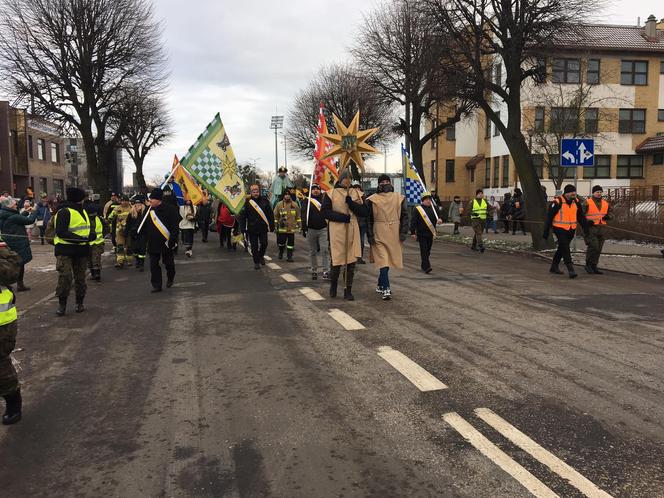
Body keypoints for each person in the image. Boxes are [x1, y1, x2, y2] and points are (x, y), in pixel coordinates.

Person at [322, 169, 367, 300]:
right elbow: (325, 212)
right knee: (337, 261)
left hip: (352, 230)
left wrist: (351, 203)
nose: (347, 182)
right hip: (337, 230)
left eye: (349, 180)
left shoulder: (356, 193)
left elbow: (365, 211)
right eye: (345, 180)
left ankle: (348, 289)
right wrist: (342, 217)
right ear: (340, 180)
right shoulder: (331, 194)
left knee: (351, 262)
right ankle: (334, 284)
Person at [366, 174, 408, 301]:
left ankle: (380, 284)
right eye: (382, 182)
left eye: (387, 181)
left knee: (387, 261)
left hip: (394, 233)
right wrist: (370, 235)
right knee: (383, 260)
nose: (385, 183)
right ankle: (386, 288)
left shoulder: (399, 198)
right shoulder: (371, 199)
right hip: (378, 232)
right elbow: (368, 219)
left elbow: (405, 216)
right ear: (378, 184)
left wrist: (403, 232)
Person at [54, 187, 95, 315]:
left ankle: (79, 302)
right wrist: (81, 238)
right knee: (65, 277)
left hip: (81, 250)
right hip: (65, 250)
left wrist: (91, 235)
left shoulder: (83, 211)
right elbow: (61, 232)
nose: (84, 200)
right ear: (78, 199)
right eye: (83, 198)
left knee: (81, 278)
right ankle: (62, 304)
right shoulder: (64, 212)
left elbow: (87, 228)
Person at [543, 184, 588, 279]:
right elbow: (549, 217)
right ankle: (570, 268)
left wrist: (586, 229)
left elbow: (581, 217)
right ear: (566, 193)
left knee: (562, 247)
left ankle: (554, 266)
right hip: (559, 228)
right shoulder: (557, 202)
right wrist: (546, 231)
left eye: (574, 191)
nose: (573, 193)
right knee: (565, 247)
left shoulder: (576, 202)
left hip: (571, 229)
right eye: (571, 192)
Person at [0, 237, 22, 424]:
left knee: (0, 364)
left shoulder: (2, 249)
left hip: (1, 321)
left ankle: (13, 401)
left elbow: (12, 272)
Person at [142, 188, 180, 292]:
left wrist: (172, 239)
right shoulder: (148, 210)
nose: (150, 201)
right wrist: (136, 232)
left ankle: (170, 277)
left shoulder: (170, 209)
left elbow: (174, 227)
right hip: (153, 242)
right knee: (153, 265)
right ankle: (157, 285)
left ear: (158, 199)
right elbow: (143, 225)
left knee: (169, 264)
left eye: (152, 199)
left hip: (166, 242)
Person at [0, 197, 38, 292]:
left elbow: (18, 218)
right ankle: (19, 284)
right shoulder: (13, 216)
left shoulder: (4, 214)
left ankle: (7, 283)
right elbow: (29, 220)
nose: (16, 205)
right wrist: (34, 212)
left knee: (9, 263)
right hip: (18, 243)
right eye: (14, 204)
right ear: (9, 205)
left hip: (8, 242)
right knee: (20, 263)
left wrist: (25, 211)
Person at [239, 184, 274, 270]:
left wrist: (272, 225)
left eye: (257, 191)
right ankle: (256, 262)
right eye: (253, 191)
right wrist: (243, 228)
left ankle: (261, 256)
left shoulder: (265, 201)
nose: (255, 193)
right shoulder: (247, 202)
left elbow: (270, 215)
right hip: (252, 228)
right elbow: (243, 216)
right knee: (254, 246)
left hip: (262, 227)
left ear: (259, 191)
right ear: (251, 192)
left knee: (264, 244)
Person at [301, 183, 330, 280]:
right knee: (312, 251)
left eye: (317, 189)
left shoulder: (324, 200)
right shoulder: (307, 201)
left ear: (320, 190)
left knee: (325, 250)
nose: (315, 191)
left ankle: (326, 270)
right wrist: (304, 227)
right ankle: (314, 270)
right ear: (310, 190)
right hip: (311, 229)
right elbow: (303, 214)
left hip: (323, 229)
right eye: (313, 189)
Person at [583, 185, 613, 275]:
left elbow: (611, 213)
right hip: (591, 229)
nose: (599, 194)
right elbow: (580, 215)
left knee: (599, 249)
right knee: (593, 247)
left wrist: (609, 216)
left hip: (602, 229)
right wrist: (587, 221)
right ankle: (588, 264)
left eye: (600, 192)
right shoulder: (587, 203)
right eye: (597, 192)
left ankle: (594, 265)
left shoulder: (606, 203)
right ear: (593, 193)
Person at [410, 192, 442, 274]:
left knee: (428, 251)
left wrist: (440, 220)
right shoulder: (418, 209)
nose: (428, 201)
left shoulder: (434, 209)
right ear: (423, 201)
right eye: (427, 200)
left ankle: (424, 264)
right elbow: (413, 221)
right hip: (421, 234)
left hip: (431, 233)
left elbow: (440, 217)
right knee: (424, 250)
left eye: (429, 200)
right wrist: (413, 232)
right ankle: (427, 267)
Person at [274, 189, 301, 262]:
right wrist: (275, 225)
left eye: (288, 194)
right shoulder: (279, 204)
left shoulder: (295, 205)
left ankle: (289, 256)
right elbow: (275, 216)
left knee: (290, 244)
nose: (287, 196)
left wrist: (299, 225)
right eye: (286, 194)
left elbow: (298, 217)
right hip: (282, 229)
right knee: (281, 243)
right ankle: (281, 252)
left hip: (291, 229)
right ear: (283, 196)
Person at [86, 202, 108, 282]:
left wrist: (103, 235)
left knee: (95, 259)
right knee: (91, 260)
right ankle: (94, 274)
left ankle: (96, 274)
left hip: (96, 243)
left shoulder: (97, 219)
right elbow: (106, 228)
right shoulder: (98, 218)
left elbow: (106, 228)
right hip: (90, 243)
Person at [109, 195, 132, 268]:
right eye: (122, 201)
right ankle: (120, 261)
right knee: (120, 246)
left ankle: (129, 260)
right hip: (119, 231)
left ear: (128, 201)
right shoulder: (117, 209)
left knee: (129, 246)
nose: (123, 202)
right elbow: (110, 217)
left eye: (125, 201)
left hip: (129, 230)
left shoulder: (132, 208)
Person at [128, 196, 147, 271]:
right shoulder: (131, 213)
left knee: (142, 249)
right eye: (136, 203)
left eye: (139, 203)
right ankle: (137, 260)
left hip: (143, 234)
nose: (138, 204)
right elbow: (128, 223)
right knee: (135, 249)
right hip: (134, 234)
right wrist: (127, 232)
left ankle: (141, 264)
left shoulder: (145, 213)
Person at [353, 184, 368, 264]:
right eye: (355, 189)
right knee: (353, 241)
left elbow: (366, 211)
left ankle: (359, 257)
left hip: (362, 223)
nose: (357, 191)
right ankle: (353, 257)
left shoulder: (364, 199)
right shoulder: (351, 199)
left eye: (358, 189)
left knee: (361, 241)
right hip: (353, 223)